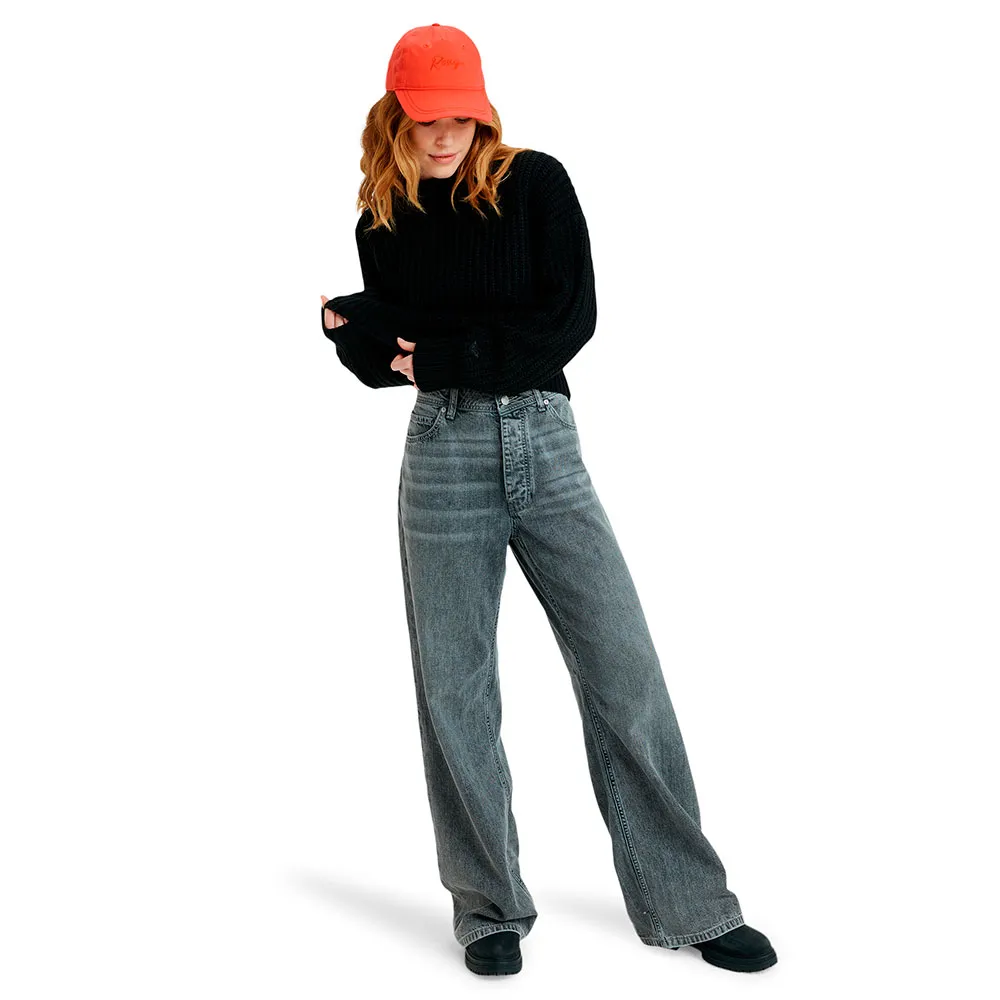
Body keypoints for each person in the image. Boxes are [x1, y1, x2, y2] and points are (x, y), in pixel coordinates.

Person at [320, 22, 777, 978]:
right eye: (426, 118)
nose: (445, 135)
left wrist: (421, 345)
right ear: (395, 116)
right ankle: (488, 907)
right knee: (454, 688)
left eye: (460, 116)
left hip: (544, 439)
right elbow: (379, 352)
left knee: (623, 669)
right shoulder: (382, 216)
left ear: (482, 112)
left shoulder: (534, 184)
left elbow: (566, 320)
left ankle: (691, 904)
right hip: (442, 451)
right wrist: (364, 331)